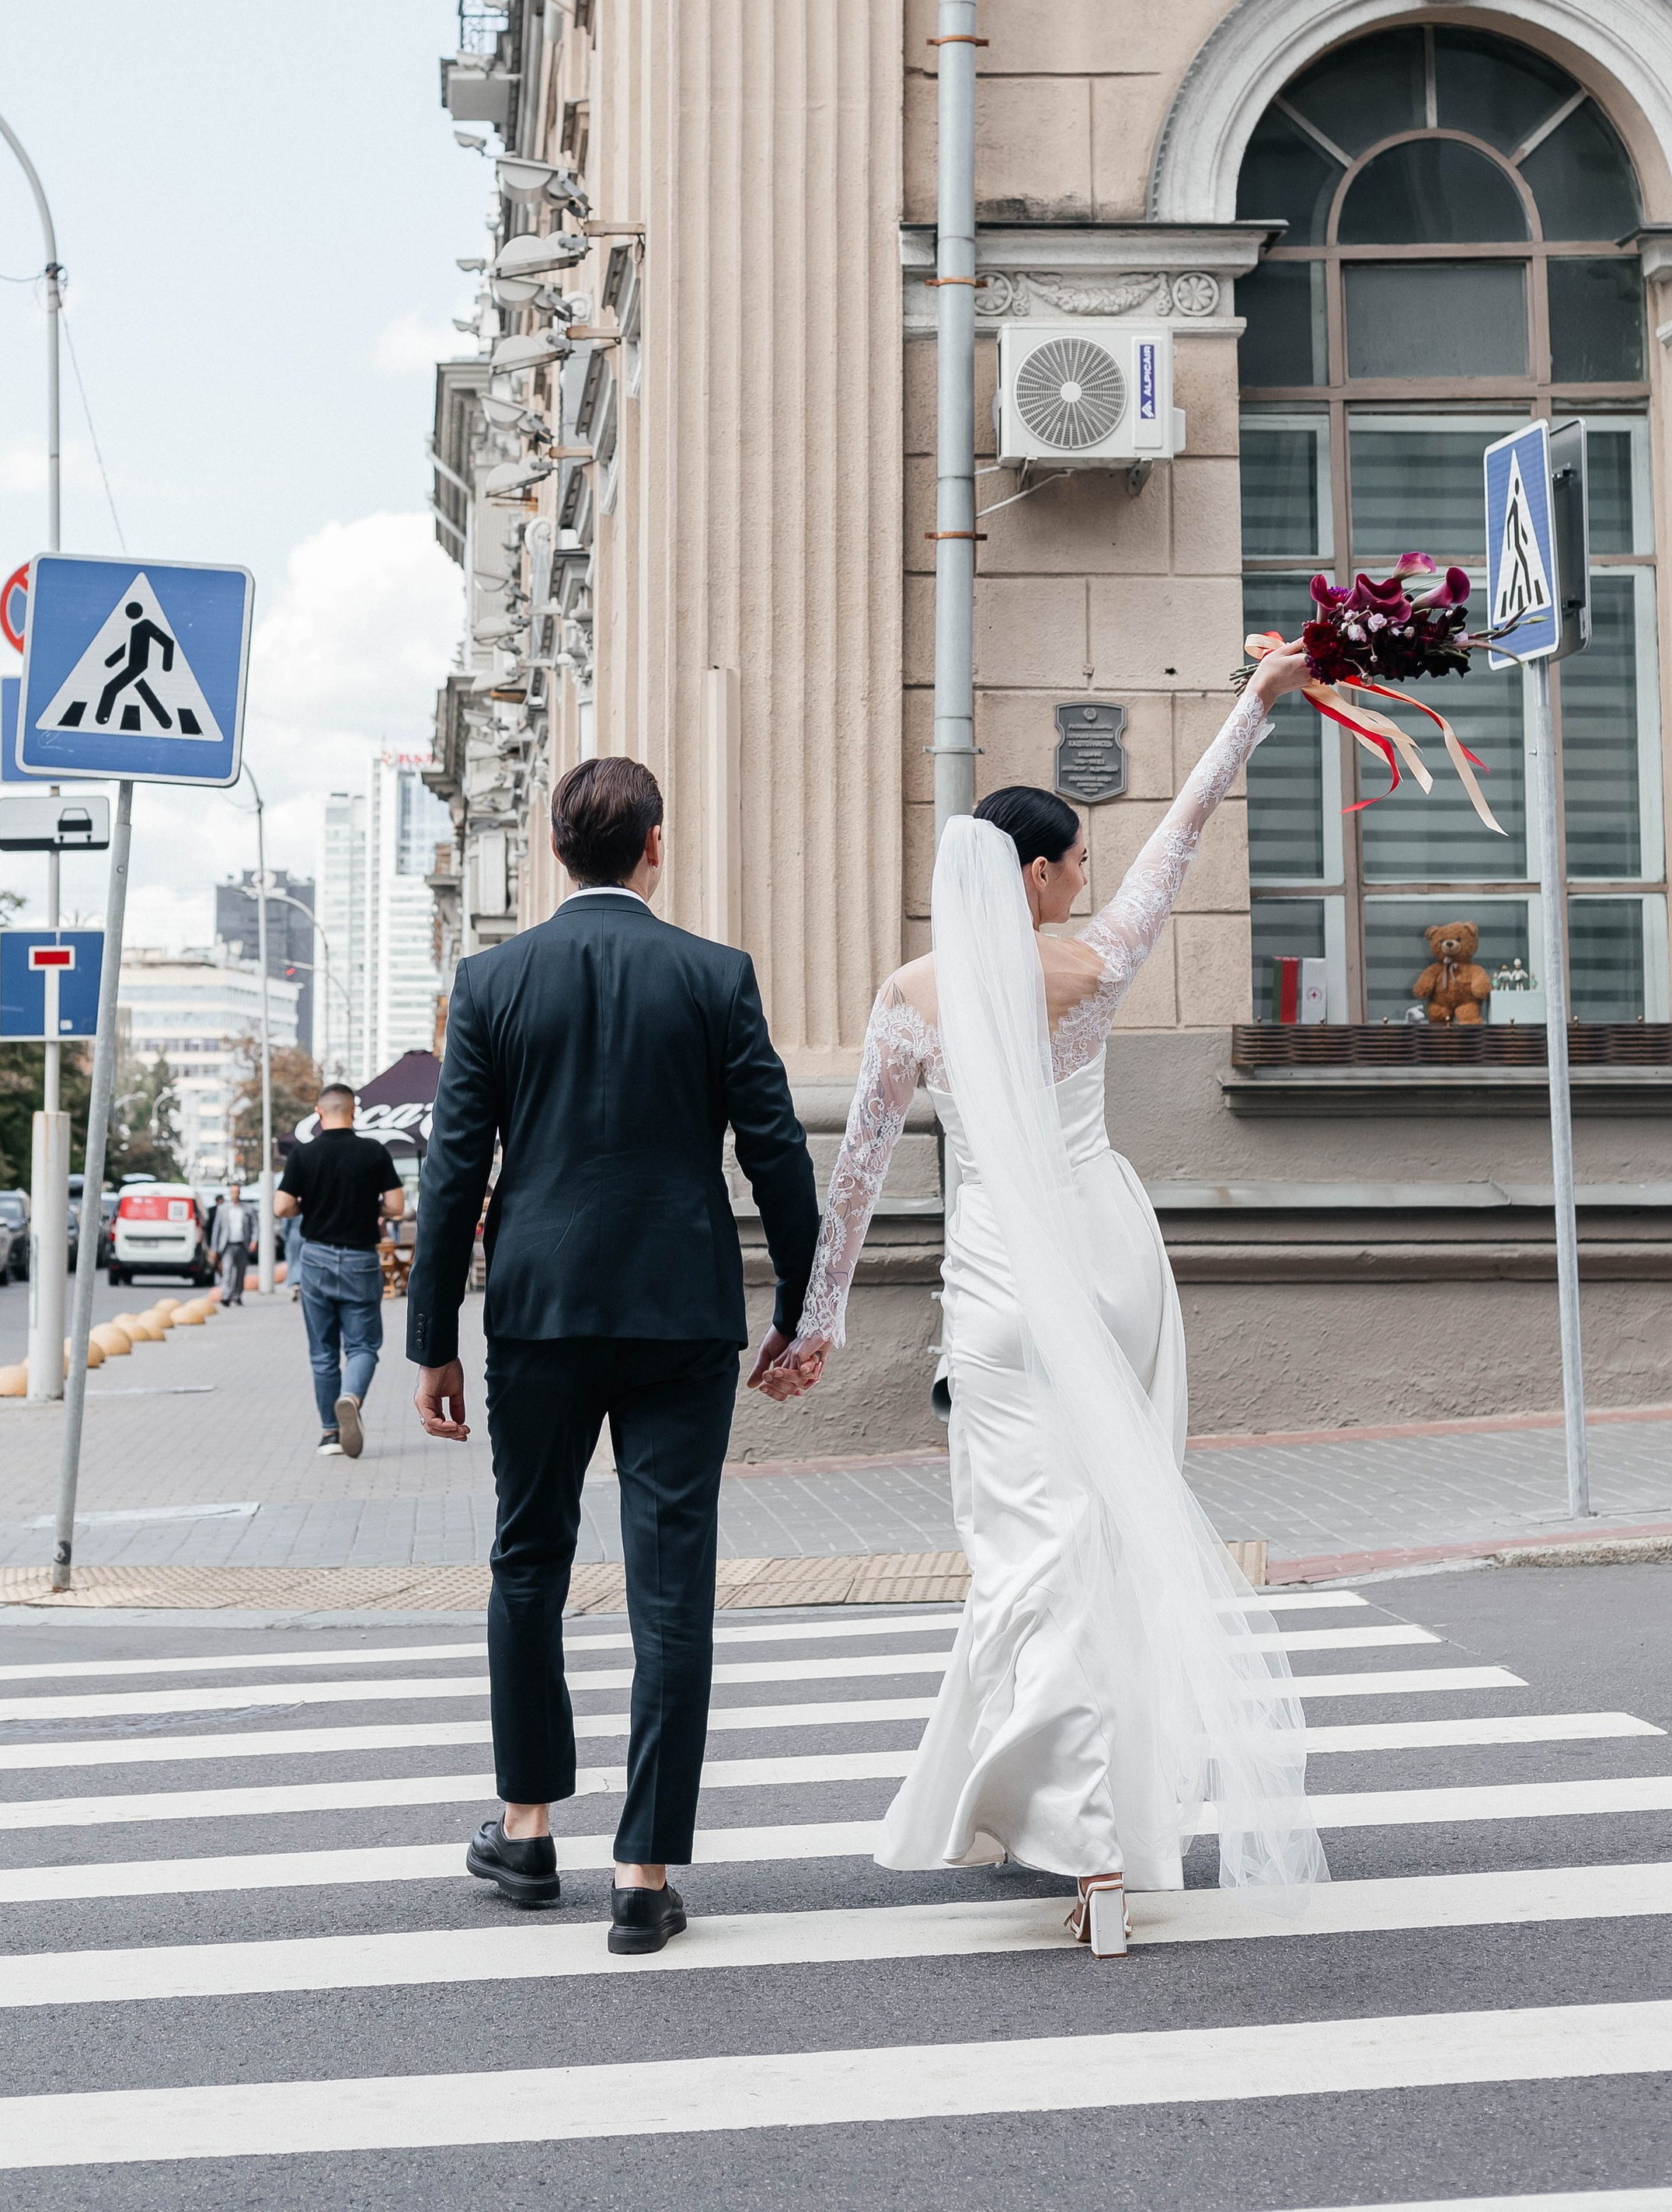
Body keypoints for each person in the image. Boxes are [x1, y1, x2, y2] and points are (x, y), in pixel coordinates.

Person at [759, 646, 1329, 1954]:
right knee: (1117, 1547)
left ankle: (1082, 1846)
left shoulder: (909, 1004)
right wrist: (1255, 704)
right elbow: (1182, 839)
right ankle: (1108, 1842)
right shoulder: (1094, 964)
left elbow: (851, 1184)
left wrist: (816, 1325)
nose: (1086, 877)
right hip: (1115, 1267)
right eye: (1072, 861)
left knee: (1034, 1564)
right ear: (1034, 875)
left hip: (1003, 1293)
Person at [409, 753, 819, 1959]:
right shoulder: (714, 974)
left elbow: (452, 1171)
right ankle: (644, 1872)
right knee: (670, 1579)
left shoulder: (488, 981)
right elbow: (777, 1148)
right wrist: (804, 1298)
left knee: (527, 1559)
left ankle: (528, 1830)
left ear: (554, 850)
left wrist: (432, 1338)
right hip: (682, 1312)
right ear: (654, 845)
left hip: (534, 1311)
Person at [277, 1085, 404, 1458]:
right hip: (360, 1260)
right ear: (355, 1111)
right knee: (363, 1345)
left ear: (319, 1111)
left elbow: (281, 1206)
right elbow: (396, 1206)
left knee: (322, 1352)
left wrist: (310, 1207)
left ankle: (330, 1434)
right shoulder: (373, 1152)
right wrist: (370, 1207)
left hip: (315, 1259)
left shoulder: (303, 1154)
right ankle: (350, 1397)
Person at [210, 1189, 251, 1307]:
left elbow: (254, 1224)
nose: (235, 1195)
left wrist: (254, 1240)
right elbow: (216, 1229)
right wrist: (214, 1248)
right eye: (233, 1192)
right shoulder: (223, 1210)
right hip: (227, 1245)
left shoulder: (246, 1209)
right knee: (227, 1271)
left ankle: (237, 1296)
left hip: (242, 1244)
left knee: (240, 1273)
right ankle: (226, 1296)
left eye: (237, 1192)